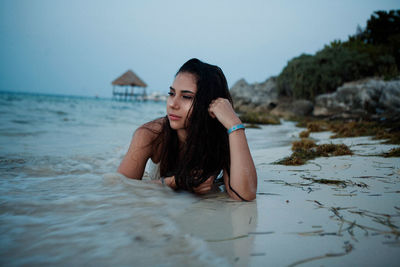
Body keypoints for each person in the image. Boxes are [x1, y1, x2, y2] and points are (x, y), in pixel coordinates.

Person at [118, 58, 257, 201]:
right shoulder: (150, 134)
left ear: (210, 104)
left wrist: (235, 124)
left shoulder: (221, 135)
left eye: (186, 97)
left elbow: (245, 194)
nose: (173, 104)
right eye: (171, 93)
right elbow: (120, 189)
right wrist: (176, 182)